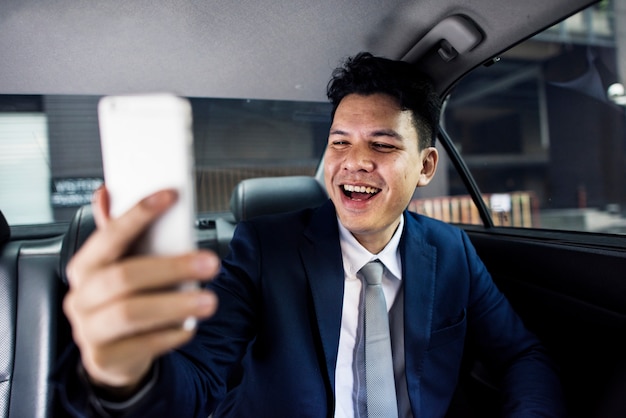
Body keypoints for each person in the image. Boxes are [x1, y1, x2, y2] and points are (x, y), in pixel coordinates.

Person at [55, 52, 565, 417]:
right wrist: (123, 374)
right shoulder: (263, 249)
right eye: (339, 142)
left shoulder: (451, 250)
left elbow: (522, 355)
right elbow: (199, 384)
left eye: (382, 145)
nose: (354, 162)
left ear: (427, 165)